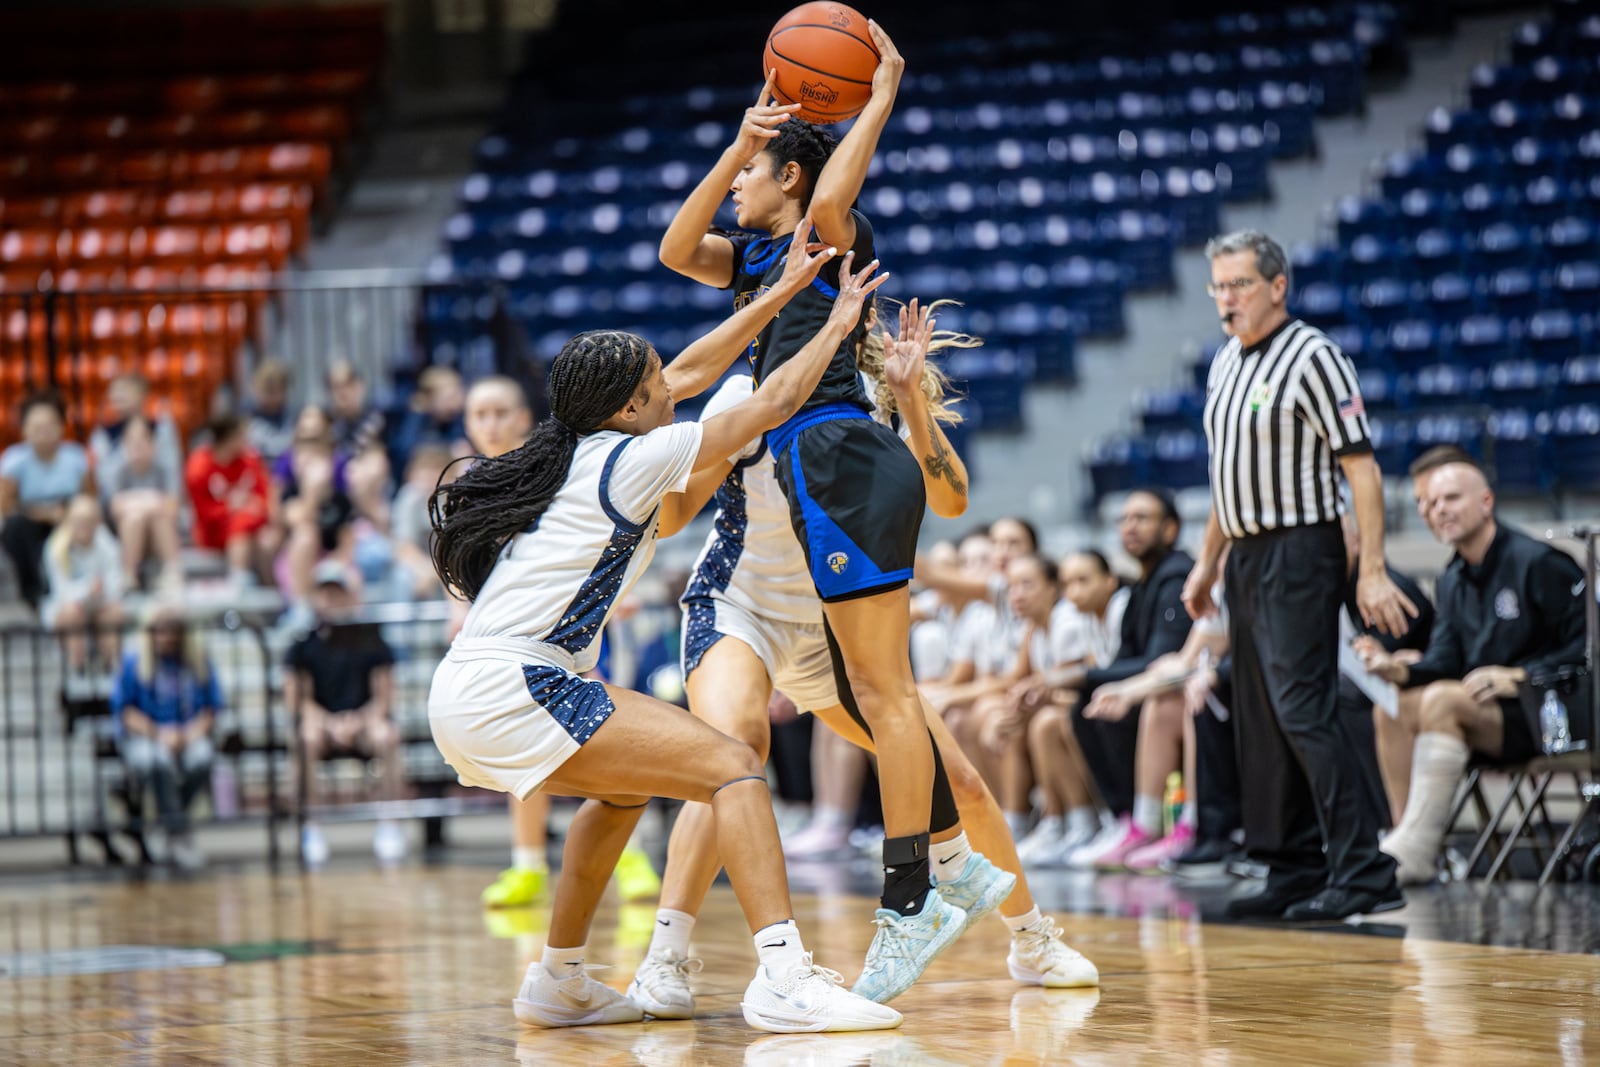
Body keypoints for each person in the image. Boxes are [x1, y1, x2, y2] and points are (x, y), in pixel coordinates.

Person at [428, 235, 904, 1032]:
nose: (673, 386)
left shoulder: (577, 448)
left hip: (473, 686)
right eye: (655, 384)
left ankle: (559, 978)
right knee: (732, 766)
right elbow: (772, 402)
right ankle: (785, 976)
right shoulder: (635, 459)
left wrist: (777, 295)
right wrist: (835, 326)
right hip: (516, 684)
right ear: (627, 406)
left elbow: (688, 370)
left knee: (622, 789)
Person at [627, 301, 1096, 1020]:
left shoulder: (877, 399)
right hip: (739, 605)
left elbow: (950, 494)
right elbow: (675, 512)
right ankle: (664, 961)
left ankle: (1032, 941)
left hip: (833, 627)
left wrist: (910, 400)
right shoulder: (745, 390)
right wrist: (632, 474)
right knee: (730, 755)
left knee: (959, 781)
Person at [660, 31, 972, 996]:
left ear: (792, 181)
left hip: (836, 452)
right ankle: (947, 883)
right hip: (808, 478)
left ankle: (917, 897)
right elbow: (677, 248)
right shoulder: (758, 258)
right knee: (882, 704)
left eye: (754, 171)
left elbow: (833, 195)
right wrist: (732, 145)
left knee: (891, 701)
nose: (741, 185)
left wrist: (878, 93)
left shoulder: (827, 232)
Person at [1181, 228, 1415, 921]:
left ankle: (1364, 867)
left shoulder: (1315, 356)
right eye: (1219, 286)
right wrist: (1206, 564)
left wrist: (1369, 567)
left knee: (1302, 706)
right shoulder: (1224, 362)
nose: (1227, 299)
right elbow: (1227, 481)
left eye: (1240, 285)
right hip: (1247, 556)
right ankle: (1292, 863)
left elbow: (1363, 470)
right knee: (1259, 714)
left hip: (1303, 547)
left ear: (1277, 286)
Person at [1357, 459, 1588, 885]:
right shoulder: (1451, 579)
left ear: (1486, 502)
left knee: (1443, 699)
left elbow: (1587, 650)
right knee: (1392, 705)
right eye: (1427, 504)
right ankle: (1405, 837)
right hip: (1483, 716)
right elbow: (1445, 660)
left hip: (1548, 713)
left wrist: (1518, 676)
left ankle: (1417, 849)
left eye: (1450, 498)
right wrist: (1399, 670)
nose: (1436, 510)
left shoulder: (1539, 563)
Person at [1062, 489, 1194, 869]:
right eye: (1124, 519)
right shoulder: (1142, 586)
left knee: (1113, 704)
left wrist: (1080, 674)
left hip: (1185, 691)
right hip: (1162, 689)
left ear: (1170, 530)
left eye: (1142, 518)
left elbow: (1158, 660)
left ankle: (1150, 824)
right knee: (1087, 707)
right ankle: (1123, 822)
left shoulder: (1177, 575)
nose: (1129, 527)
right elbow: (1126, 660)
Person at [287, 560, 406, 866]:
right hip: (323, 724)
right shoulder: (303, 642)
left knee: (387, 736)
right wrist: (330, 723)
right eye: (325, 592)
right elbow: (299, 699)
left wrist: (358, 721)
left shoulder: (372, 638)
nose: (330, 599)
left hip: (365, 721)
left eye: (337, 592)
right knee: (305, 737)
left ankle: (390, 824)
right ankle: (310, 826)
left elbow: (384, 697)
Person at [1016, 549, 1127, 866]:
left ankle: (1104, 819)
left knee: (1055, 721)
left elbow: (1077, 689)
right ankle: (1068, 823)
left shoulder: (1071, 621)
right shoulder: (1052, 627)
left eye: (1027, 584)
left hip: (1124, 700)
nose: (1074, 591)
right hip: (1106, 701)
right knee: (1038, 722)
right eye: (1070, 583)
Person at [111, 602, 222, 871]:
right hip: (145, 736)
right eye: (161, 629)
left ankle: (169, 824)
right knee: (157, 760)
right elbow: (125, 712)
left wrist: (187, 734)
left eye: (174, 629)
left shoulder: (197, 661)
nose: (168, 636)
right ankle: (178, 832)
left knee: (203, 757)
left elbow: (211, 709)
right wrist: (159, 734)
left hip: (188, 734)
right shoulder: (133, 662)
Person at [1, 391, 93, 609]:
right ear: (24, 429)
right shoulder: (14, 460)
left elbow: (88, 498)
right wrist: (45, 513)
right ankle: (33, 592)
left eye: (49, 425)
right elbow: (6, 504)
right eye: (36, 426)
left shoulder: (76, 457)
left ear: (62, 426)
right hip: (29, 521)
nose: (43, 432)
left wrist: (66, 515)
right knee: (15, 527)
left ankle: (83, 587)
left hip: (68, 519)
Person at [41, 494, 125, 688]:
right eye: (78, 521)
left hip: (100, 603)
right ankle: (76, 672)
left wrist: (97, 593)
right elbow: (61, 591)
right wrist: (88, 589)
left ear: (97, 522)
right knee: (72, 613)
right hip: (65, 608)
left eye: (89, 521)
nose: (84, 526)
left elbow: (115, 583)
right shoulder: (56, 547)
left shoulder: (106, 542)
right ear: (67, 521)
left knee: (113, 612)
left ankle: (112, 671)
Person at [184, 412, 275, 588]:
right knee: (244, 522)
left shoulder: (250, 459)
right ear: (229, 438)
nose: (247, 440)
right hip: (213, 532)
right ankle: (240, 580)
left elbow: (264, 498)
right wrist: (230, 507)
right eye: (242, 435)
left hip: (250, 526)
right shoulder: (199, 466)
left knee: (264, 538)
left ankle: (265, 587)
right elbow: (203, 512)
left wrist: (249, 506)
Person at [97, 414, 183, 593]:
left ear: (153, 443)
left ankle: (173, 571)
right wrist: (153, 500)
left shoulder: (163, 470)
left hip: (157, 535)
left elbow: (172, 507)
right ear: (123, 444)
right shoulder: (117, 471)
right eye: (132, 440)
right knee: (134, 518)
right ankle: (129, 575)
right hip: (125, 534)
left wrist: (138, 503)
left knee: (157, 516)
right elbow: (116, 508)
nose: (138, 445)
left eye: (143, 439)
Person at [245, 358, 296, 466]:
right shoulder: (243, 422)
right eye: (267, 389)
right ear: (255, 388)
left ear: (285, 390)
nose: (270, 396)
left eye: (275, 389)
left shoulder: (296, 420)